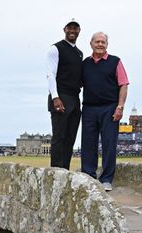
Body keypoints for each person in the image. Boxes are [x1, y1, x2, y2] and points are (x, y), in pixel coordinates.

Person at [81, 32, 129, 191]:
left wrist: (120, 107)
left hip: (110, 108)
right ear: (91, 44)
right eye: (97, 41)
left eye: (103, 42)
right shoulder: (85, 64)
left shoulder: (115, 62)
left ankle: (107, 179)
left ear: (107, 44)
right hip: (88, 108)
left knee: (109, 143)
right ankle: (88, 175)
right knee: (88, 143)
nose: (100, 44)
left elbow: (123, 84)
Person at [46, 19, 83, 170]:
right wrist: (55, 97)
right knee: (59, 137)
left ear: (79, 31)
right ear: (64, 30)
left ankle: (65, 171)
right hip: (60, 96)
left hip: (75, 98)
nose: (72, 31)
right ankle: (56, 172)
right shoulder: (55, 48)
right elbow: (50, 74)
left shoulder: (79, 53)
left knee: (70, 138)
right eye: (70, 28)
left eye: (75, 28)